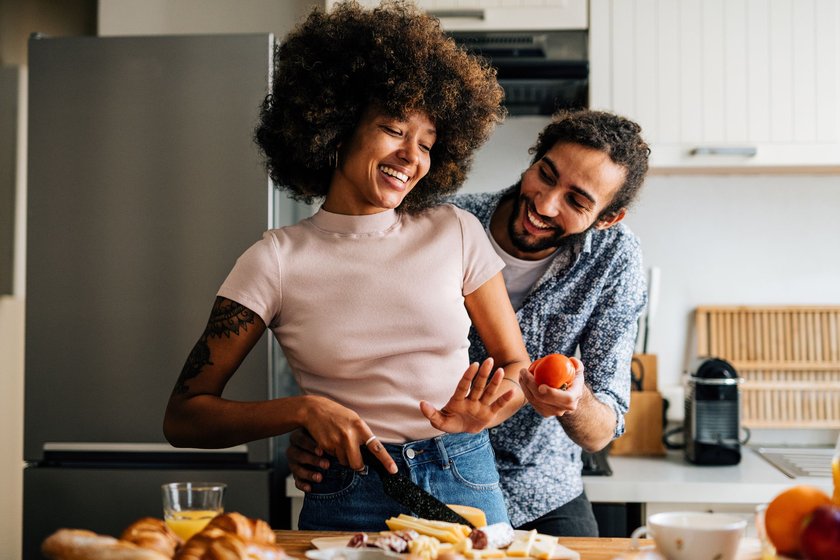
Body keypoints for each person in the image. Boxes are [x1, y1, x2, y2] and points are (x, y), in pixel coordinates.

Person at [163, 1, 531, 532]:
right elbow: (184, 415)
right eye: (393, 130)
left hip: (463, 473)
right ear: (335, 128)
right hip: (348, 484)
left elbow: (516, 366)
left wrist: (487, 412)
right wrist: (303, 410)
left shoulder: (454, 230)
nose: (412, 156)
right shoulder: (274, 260)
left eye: (426, 143)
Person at [287, 108, 651, 536]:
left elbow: (601, 430)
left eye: (577, 201)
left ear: (607, 218)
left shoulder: (614, 260)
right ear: (533, 160)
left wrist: (573, 400)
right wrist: (315, 424)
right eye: (546, 175)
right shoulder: (448, 221)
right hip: (425, 482)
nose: (545, 202)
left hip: (543, 489)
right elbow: (361, 341)